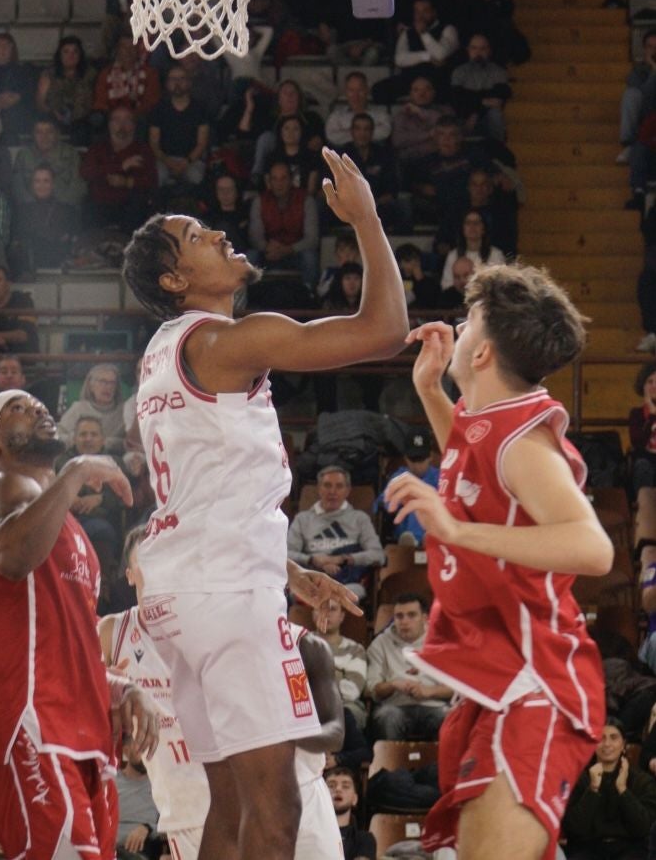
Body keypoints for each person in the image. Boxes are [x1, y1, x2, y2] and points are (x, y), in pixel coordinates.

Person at [121, 147, 409, 859]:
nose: (218, 234)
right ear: (175, 278)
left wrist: (283, 567)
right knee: (275, 808)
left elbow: (204, 494)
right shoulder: (225, 340)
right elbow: (383, 331)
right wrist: (367, 220)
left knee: (227, 803)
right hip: (224, 595)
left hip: (180, 595)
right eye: (196, 238)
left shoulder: (159, 353)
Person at [384, 263, 615, 860]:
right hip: (495, 680)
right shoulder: (487, 426)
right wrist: (431, 392)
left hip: (536, 681)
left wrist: (458, 529)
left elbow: (593, 548)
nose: (456, 330)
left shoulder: (525, 445)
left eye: (466, 323)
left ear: (482, 353)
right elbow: (467, 470)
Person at [0, 390, 158, 860]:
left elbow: (66, 648)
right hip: (24, 723)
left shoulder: (71, 532)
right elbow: (11, 557)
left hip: (78, 730)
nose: (38, 407)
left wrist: (122, 689)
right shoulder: (4, 487)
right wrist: (75, 472)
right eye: (17, 408)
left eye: (36, 402)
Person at [100, 527, 345, 860]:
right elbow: (72, 685)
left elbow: (332, 731)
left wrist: (277, 733)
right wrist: (112, 688)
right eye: (148, 560)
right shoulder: (114, 633)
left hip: (293, 791)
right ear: (130, 574)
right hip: (192, 808)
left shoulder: (283, 638)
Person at [562, 719, 656, 860]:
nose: (607, 744)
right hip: (586, 849)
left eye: (614, 738)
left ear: (623, 744)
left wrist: (623, 790)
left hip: (630, 849)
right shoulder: (578, 780)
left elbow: (643, 829)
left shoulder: (642, 781)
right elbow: (574, 830)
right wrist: (592, 789)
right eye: (601, 738)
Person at [287, 466, 386, 599]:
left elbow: (378, 555)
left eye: (339, 486)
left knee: (347, 594)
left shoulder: (359, 518)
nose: (332, 491)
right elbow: (285, 555)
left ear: (347, 490)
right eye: (327, 485)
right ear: (319, 488)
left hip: (347, 582)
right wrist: (313, 559)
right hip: (311, 580)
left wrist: (343, 559)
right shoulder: (302, 519)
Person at [365, 593, 452, 740]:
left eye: (411, 615)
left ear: (425, 618)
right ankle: (391, 764)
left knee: (447, 716)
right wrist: (393, 685)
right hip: (395, 705)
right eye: (399, 616)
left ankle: (437, 764)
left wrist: (429, 691)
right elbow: (372, 690)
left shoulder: (442, 642)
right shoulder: (380, 643)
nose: (404, 621)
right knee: (386, 716)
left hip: (434, 705)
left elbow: (456, 689)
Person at [80, 105, 157, 231]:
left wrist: (127, 182)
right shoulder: (98, 148)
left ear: (134, 125)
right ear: (109, 124)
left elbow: (151, 181)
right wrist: (120, 166)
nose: (122, 124)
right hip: (100, 203)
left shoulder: (143, 150)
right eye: (117, 119)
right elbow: (86, 172)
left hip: (130, 207)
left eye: (127, 120)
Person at [248, 159, 320, 289]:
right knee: (250, 256)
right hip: (268, 253)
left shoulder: (306, 200)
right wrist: (268, 248)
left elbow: (312, 238)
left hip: (295, 253)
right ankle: (248, 300)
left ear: (291, 180)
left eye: (283, 178)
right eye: (274, 179)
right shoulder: (260, 201)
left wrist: (288, 249)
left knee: (310, 257)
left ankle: (310, 296)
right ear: (269, 182)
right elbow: (255, 237)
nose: (279, 183)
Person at [147, 65, 210, 190]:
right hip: (164, 159)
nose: (177, 83)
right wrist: (168, 162)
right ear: (167, 83)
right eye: (173, 79)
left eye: (181, 78)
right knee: (157, 177)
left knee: (196, 178)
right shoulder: (158, 109)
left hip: (192, 160)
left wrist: (186, 162)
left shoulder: (200, 109)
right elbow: (154, 143)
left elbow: (202, 143)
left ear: (189, 82)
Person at [377, 428, 439, 546]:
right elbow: (380, 504)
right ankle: (413, 541)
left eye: (421, 460)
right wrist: (396, 500)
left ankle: (427, 539)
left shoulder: (441, 477)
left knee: (421, 501)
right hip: (404, 532)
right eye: (413, 459)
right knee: (412, 501)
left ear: (430, 457)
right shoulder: (399, 477)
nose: (417, 465)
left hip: (435, 528)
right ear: (406, 458)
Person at [316, 599, 368, 730]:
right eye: (322, 609)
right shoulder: (299, 645)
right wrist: (336, 674)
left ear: (342, 616)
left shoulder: (356, 650)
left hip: (344, 705)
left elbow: (352, 691)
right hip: (309, 705)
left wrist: (316, 677)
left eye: (332, 609)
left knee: (349, 714)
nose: (327, 614)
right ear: (314, 614)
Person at [11, 117, 85, 208]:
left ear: (57, 134)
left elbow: (79, 187)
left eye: (49, 132)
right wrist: (32, 207)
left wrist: (61, 208)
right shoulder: (24, 155)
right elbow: (18, 187)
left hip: (64, 210)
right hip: (31, 211)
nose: (44, 137)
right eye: (39, 132)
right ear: (33, 135)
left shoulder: (71, 154)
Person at [450, 33, 511, 142]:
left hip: (485, 118)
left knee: (495, 114)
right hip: (463, 116)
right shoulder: (459, 71)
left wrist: (475, 113)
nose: (478, 52)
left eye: (483, 48)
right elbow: (458, 99)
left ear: (489, 51)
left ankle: (498, 150)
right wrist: (483, 100)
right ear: (468, 50)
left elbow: (498, 98)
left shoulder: (499, 72)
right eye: (474, 48)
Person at [57, 363, 126, 455]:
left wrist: (106, 443)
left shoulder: (124, 411)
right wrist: (79, 440)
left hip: (112, 459)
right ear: (91, 386)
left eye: (112, 383)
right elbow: (58, 436)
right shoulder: (78, 408)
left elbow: (129, 443)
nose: (108, 387)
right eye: (102, 382)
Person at [439, 208, 507, 291]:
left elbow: (501, 285)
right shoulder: (453, 255)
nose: (472, 226)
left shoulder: (496, 254)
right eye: (468, 223)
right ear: (462, 229)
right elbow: (446, 285)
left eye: (476, 223)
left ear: (483, 228)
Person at [618, 29, 656, 165]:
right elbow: (646, 95)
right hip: (646, 114)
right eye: (650, 47)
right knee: (631, 94)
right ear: (644, 50)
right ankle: (630, 144)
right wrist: (654, 71)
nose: (654, 51)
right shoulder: (637, 71)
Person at [325, 72, 391, 148]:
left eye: (360, 90)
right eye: (351, 90)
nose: (356, 95)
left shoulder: (380, 114)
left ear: (367, 90)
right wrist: (366, 133)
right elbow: (331, 136)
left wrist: (346, 132)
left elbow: (385, 132)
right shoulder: (336, 116)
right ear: (346, 92)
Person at [325, 768, 376, 860]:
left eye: (345, 786)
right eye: (331, 785)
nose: (338, 789)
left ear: (354, 799)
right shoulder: (307, 834)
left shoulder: (364, 839)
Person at [631, 360, 656, 493]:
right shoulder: (637, 414)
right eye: (650, 382)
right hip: (647, 459)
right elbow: (638, 443)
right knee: (642, 466)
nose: (654, 386)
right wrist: (652, 415)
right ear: (643, 386)